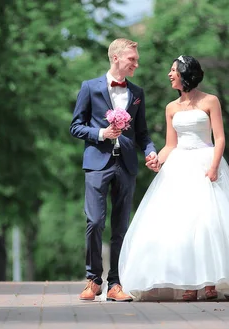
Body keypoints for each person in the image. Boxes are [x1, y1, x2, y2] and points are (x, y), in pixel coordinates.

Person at [119, 55, 229, 301]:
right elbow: (170, 145)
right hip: (178, 167)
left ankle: (211, 282)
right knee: (182, 226)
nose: (169, 74)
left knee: (210, 224)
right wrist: (157, 159)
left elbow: (219, 138)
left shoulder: (211, 101)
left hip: (205, 163)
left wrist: (214, 166)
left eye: (173, 70)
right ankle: (190, 283)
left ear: (185, 74)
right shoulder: (171, 107)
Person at [70, 38, 158, 302]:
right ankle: (93, 280)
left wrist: (151, 150)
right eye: (132, 59)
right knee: (95, 221)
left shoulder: (137, 93)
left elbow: (142, 133)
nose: (136, 63)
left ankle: (115, 283)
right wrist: (101, 133)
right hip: (97, 163)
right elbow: (75, 126)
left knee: (121, 227)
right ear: (116, 58)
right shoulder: (89, 88)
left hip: (126, 164)